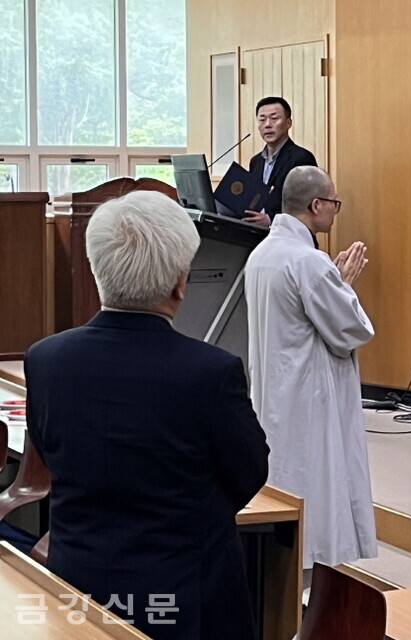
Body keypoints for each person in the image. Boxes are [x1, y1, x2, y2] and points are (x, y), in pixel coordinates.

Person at [25, 191, 270, 640]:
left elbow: (50, 452)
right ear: (180, 282)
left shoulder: (44, 360)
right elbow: (250, 472)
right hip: (186, 594)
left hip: (78, 587)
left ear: (98, 273)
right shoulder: (211, 372)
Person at [245, 165, 377, 568]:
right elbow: (351, 330)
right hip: (308, 393)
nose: (336, 211)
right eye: (334, 203)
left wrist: (334, 285)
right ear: (316, 204)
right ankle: (316, 560)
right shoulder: (309, 261)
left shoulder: (262, 253)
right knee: (316, 477)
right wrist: (345, 286)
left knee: (284, 471)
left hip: (275, 388)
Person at [244, 96, 318, 225]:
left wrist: (270, 220)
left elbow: (307, 206)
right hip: (258, 237)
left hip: (291, 237)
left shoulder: (302, 158)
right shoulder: (256, 161)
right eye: (262, 119)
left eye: (274, 118)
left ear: (289, 123)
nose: (267, 125)